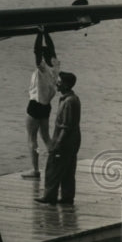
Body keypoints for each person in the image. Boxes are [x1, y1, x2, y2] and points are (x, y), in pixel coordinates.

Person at [35, 72, 81, 205]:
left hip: (65, 140)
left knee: (53, 168)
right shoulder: (74, 98)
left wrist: (57, 145)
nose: (57, 83)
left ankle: (50, 196)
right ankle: (67, 197)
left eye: (60, 81)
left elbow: (65, 127)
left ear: (66, 84)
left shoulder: (68, 102)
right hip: (73, 140)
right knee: (67, 170)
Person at [21, 29, 60, 180]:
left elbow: (36, 50)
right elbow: (52, 48)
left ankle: (35, 170)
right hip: (46, 106)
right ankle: (56, 162)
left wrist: (39, 32)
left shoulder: (42, 67)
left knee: (32, 138)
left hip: (35, 105)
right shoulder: (55, 66)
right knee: (46, 136)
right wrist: (46, 33)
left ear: (42, 57)